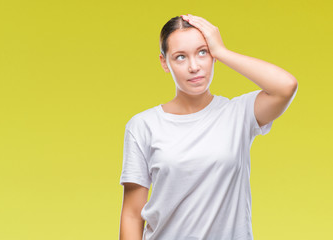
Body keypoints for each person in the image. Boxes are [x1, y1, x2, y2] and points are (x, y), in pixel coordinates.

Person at [119, 14, 298, 240]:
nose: (194, 66)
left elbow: (286, 86)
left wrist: (222, 51)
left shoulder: (238, 114)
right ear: (165, 62)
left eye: (202, 52)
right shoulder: (143, 126)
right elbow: (133, 215)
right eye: (180, 57)